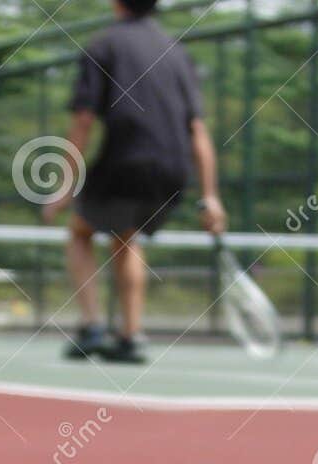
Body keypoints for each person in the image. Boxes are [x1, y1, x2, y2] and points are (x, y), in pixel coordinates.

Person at [42, 0, 225, 364]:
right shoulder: (177, 51)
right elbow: (198, 129)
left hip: (126, 158)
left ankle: (94, 326)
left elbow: (82, 120)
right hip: (173, 167)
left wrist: (64, 184)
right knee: (126, 236)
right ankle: (130, 335)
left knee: (81, 232)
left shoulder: (103, 44)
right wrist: (210, 196)